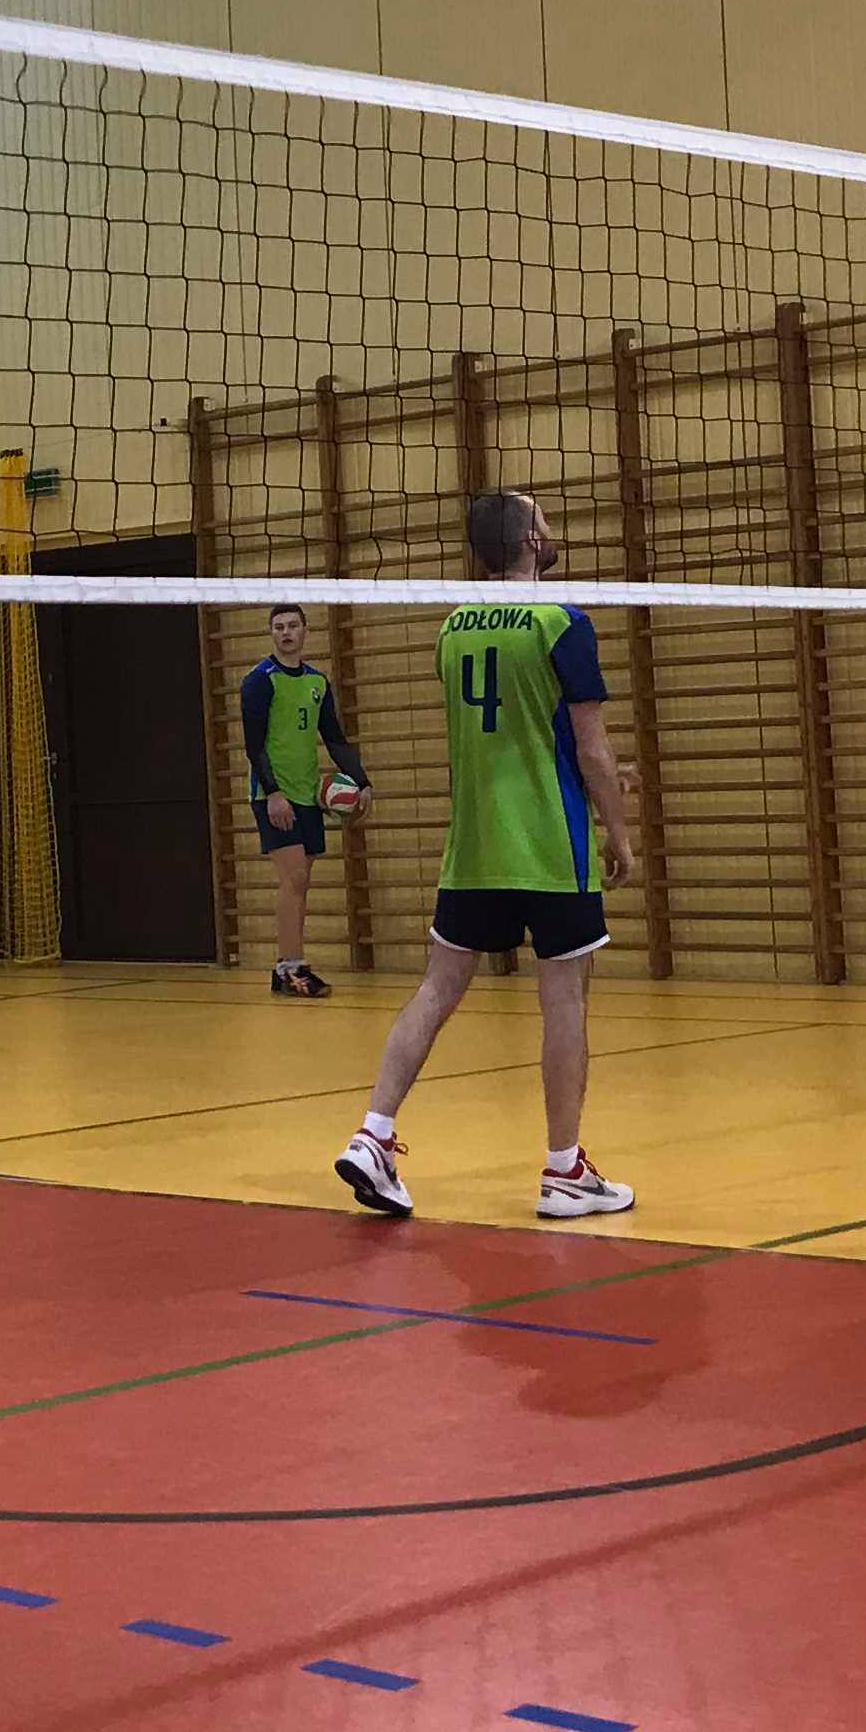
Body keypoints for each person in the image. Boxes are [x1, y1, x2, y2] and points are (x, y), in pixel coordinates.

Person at [330, 491, 641, 1225]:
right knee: (564, 998)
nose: (554, 528)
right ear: (530, 538)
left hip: (472, 845)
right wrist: (619, 830)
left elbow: (504, 732)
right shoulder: (561, 622)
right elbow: (590, 747)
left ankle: (373, 1133)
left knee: (436, 989)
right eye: (546, 519)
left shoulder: (451, 629)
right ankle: (564, 1171)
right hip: (548, 843)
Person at [240, 603, 371, 997]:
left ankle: (289, 965)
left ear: (304, 631)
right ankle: (289, 969)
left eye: (292, 626)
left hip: (308, 794)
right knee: (293, 878)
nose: (286, 633)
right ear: (271, 634)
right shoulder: (259, 681)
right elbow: (253, 746)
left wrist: (362, 781)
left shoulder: (317, 682)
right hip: (273, 796)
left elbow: (334, 738)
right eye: (278, 627)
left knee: (302, 882)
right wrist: (274, 793)